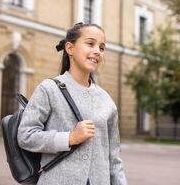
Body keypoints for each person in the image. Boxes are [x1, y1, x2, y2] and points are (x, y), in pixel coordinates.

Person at [17, 22, 127, 185]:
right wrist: (69, 137)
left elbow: (114, 158)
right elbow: (26, 135)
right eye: (90, 44)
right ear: (70, 48)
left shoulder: (106, 100)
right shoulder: (48, 89)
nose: (97, 51)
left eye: (102, 48)